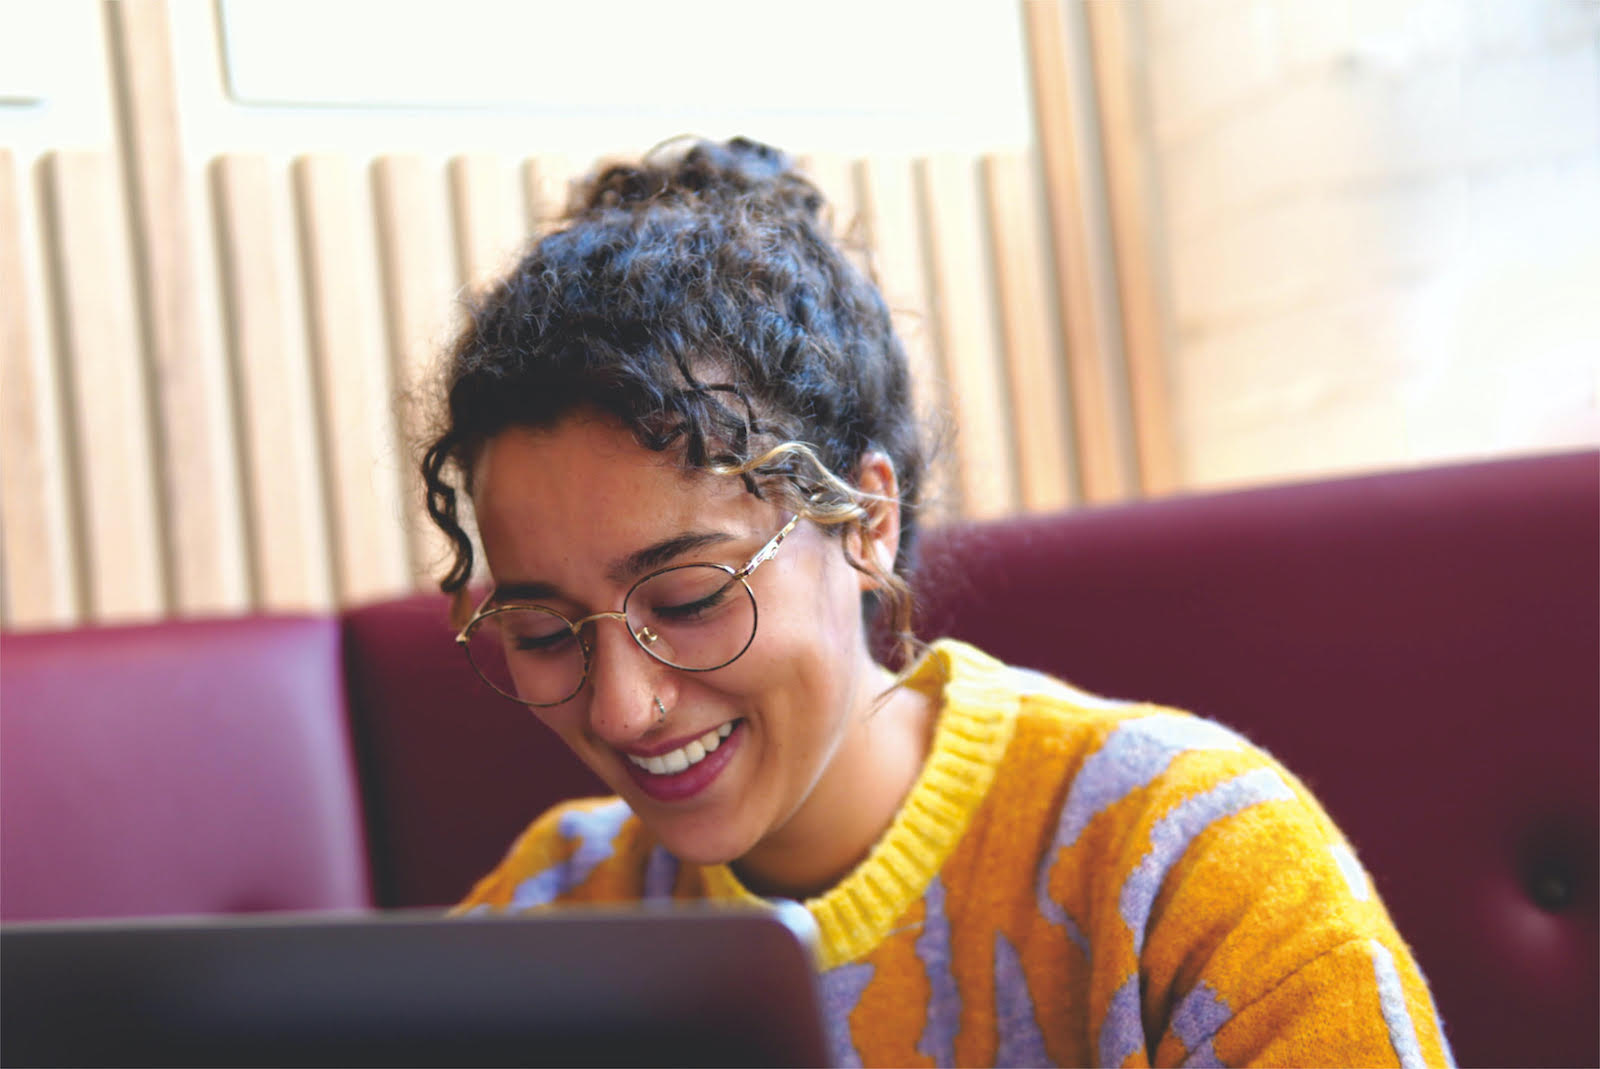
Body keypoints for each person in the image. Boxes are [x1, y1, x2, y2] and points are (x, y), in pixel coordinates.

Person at [420, 137, 1453, 1067]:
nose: (618, 708)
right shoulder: (556, 911)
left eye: (690, 597)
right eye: (545, 631)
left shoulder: (1184, 859)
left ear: (866, 521)